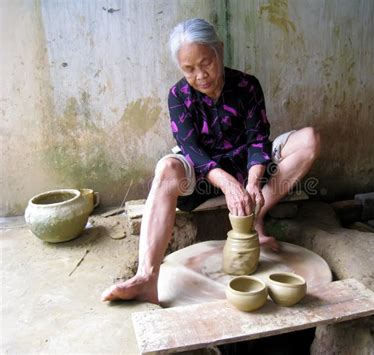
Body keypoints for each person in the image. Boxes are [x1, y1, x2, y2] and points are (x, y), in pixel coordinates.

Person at [101, 18, 320, 304]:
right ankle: (146, 277)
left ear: (220, 50)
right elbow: (191, 150)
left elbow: (257, 139)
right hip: (204, 177)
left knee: (310, 139)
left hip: (249, 169)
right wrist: (228, 184)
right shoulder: (178, 96)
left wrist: (253, 182)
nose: (200, 75)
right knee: (167, 168)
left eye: (206, 63)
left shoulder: (246, 86)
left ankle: (255, 218)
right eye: (188, 69)